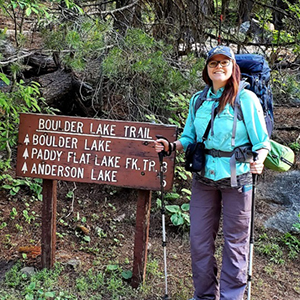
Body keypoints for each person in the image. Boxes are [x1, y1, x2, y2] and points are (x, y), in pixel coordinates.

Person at [154, 45, 270, 300]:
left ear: (233, 68)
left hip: (238, 179)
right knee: (199, 242)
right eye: (213, 63)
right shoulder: (198, 100)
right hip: (204, 178)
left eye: (224, 63)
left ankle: (231, 296)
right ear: (207, 69)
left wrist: (259, 160)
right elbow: (189, 136)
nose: (218, 67)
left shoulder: (246, 99)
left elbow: (262, 142)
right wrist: (171, 146)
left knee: (236, 244)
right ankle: (205, 296)